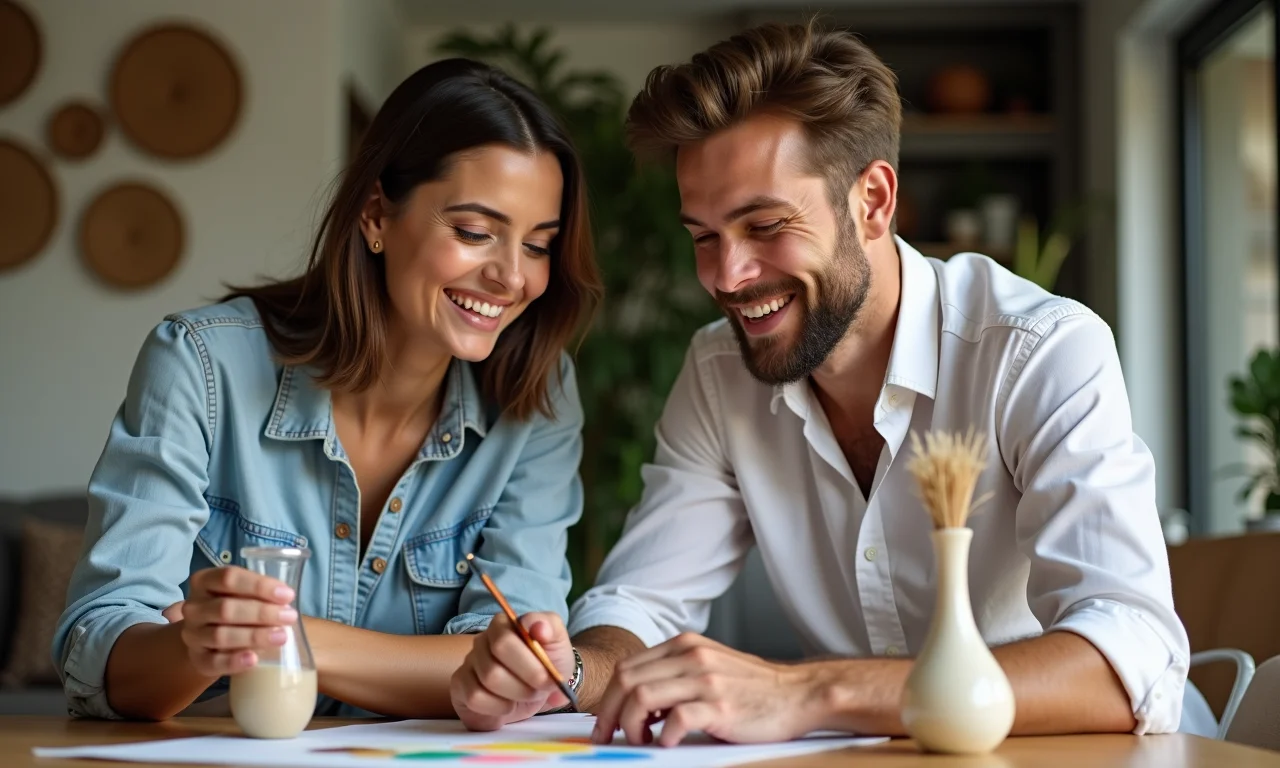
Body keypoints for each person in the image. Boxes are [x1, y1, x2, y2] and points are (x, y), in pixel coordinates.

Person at [451, 21, 1189, 745]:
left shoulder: (1040, 352)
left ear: (871, 201)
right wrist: (573, 670)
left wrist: (805, 690)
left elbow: (1128, 655)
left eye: (766, 225)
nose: (726, 276)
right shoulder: (718, 373)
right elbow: (641, 604)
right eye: (703, 237)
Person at [53, 57, 602, 721]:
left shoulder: (538, 395)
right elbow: (100, 645)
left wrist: (285, 640)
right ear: (376, 215)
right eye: (474, 233)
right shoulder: (202, 364)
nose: (512, 277)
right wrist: (194, 650)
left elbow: (512, 673)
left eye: (540, 245)